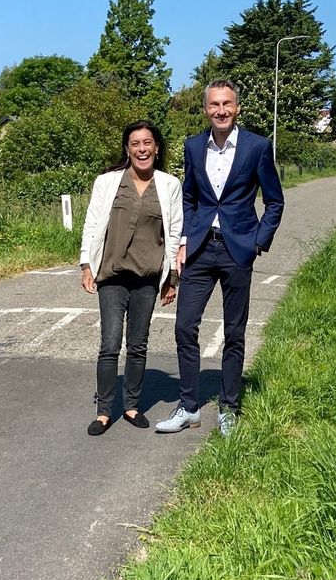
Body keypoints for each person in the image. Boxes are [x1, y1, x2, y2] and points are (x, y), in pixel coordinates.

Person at [155, 80, 284, 437]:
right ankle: (189, 407)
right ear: (206, 109)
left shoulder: (257, 147)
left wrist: (257, 241)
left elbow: (275, 201)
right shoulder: (193, 146)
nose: (221, 110)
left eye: (227, 104)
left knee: (234, 332)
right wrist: (183, 239)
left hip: (237, 249)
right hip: (198, 249)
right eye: (214, 105)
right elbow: (190, 197)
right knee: (184, 327)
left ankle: (229, 407)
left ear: (237, 107)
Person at [80, 121, 182, 436]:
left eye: (147, 143)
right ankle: (103, 412)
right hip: (111, 275)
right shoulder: (107, 182)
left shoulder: (169, 185)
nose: (141, 149)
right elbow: (93, 222)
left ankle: (132, 405)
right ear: (128, 149)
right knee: (110, 344)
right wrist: (86, 263)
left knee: (137, 345)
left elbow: (176, 232)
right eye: (135, 143)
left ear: (156, 148)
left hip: (148, 277)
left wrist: (173, 278)